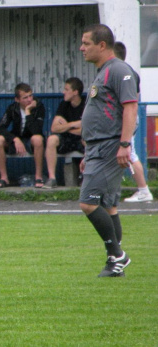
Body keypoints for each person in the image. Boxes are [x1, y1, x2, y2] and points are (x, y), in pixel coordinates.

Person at [79, 24, 137, 277]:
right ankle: (115, 263)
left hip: (110, 146)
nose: (82, 48)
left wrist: (124, 144)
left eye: (86, 43)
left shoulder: (119, 70)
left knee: (88, 203)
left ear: (102, 45)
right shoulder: (103, 71)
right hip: (97, 148)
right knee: (109, 205)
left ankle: (118, 255)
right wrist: (88, 153)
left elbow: (130, 108)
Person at [114, 41, 154, 202]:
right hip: (127, 116)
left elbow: (131, 101)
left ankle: (144, 190)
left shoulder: (125, 73)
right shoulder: (127, 72)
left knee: (130, 153)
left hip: (128, 117)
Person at [0, 83, 46, 188]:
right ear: (17, 99)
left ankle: (38, 177)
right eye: (25, 97)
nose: (29, 99)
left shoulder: (39, 106)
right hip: (16, 140)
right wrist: (14, 139)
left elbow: (36, 130)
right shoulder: (12, 108)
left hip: (31, 140)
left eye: (31, 95)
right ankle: (4, 178)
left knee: (38, 139)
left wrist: (28, 111)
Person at [43, 77, 86, 189]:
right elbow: (54, 128)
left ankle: (86, 178)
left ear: (75, 92)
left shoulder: (87, 105)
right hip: (66, 139)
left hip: (81, 140)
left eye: (66, 89)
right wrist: (73, 124)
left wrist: (65, 126)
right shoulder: (64, 104)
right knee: (52, 139)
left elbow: (87, 129)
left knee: (88, 140)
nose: (63, 92)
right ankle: (52, 178)